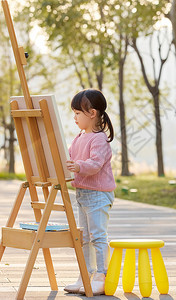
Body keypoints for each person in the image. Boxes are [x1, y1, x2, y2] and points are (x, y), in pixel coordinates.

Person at [64, 89, 116, 295]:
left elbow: (95, 164)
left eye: (78, 113)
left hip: (98, 195)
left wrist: (77, 166)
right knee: (83, 237)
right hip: (83, 194)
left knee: (98, 237)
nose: (75, 117)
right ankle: (85, 274)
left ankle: (101, 276)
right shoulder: (78, 138)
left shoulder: (99, 139)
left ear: (92, 113)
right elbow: (69, 157)